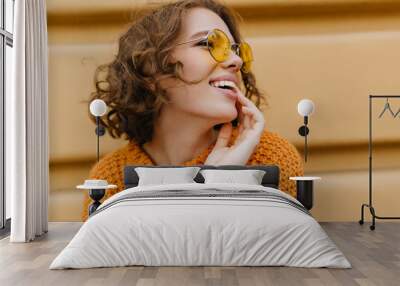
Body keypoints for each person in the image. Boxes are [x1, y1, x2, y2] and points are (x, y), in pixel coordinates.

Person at [82, 0, 304, 221]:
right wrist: (210, 187)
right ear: (150, 67)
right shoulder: (110, 177)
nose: (236, 60)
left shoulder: (271, 157)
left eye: (238, 51)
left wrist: (224, 182)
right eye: (210, 43)